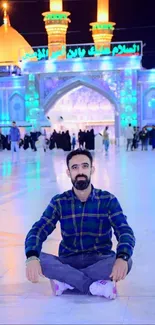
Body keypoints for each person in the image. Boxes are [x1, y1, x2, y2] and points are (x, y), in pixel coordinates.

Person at [25, 149, 135, 300]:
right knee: (40, 259)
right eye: (75, 168)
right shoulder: (59, 202)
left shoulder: (108, 200)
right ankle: (93, 285)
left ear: (92, 169)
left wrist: (122, 257)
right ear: (68, 172)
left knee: (127, 260)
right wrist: (31, 257)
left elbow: (124, 231)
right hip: (69, 260)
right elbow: (38, 229)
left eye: (84, 166)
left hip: (100, 259)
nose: (80, 171)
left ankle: (68, 282)